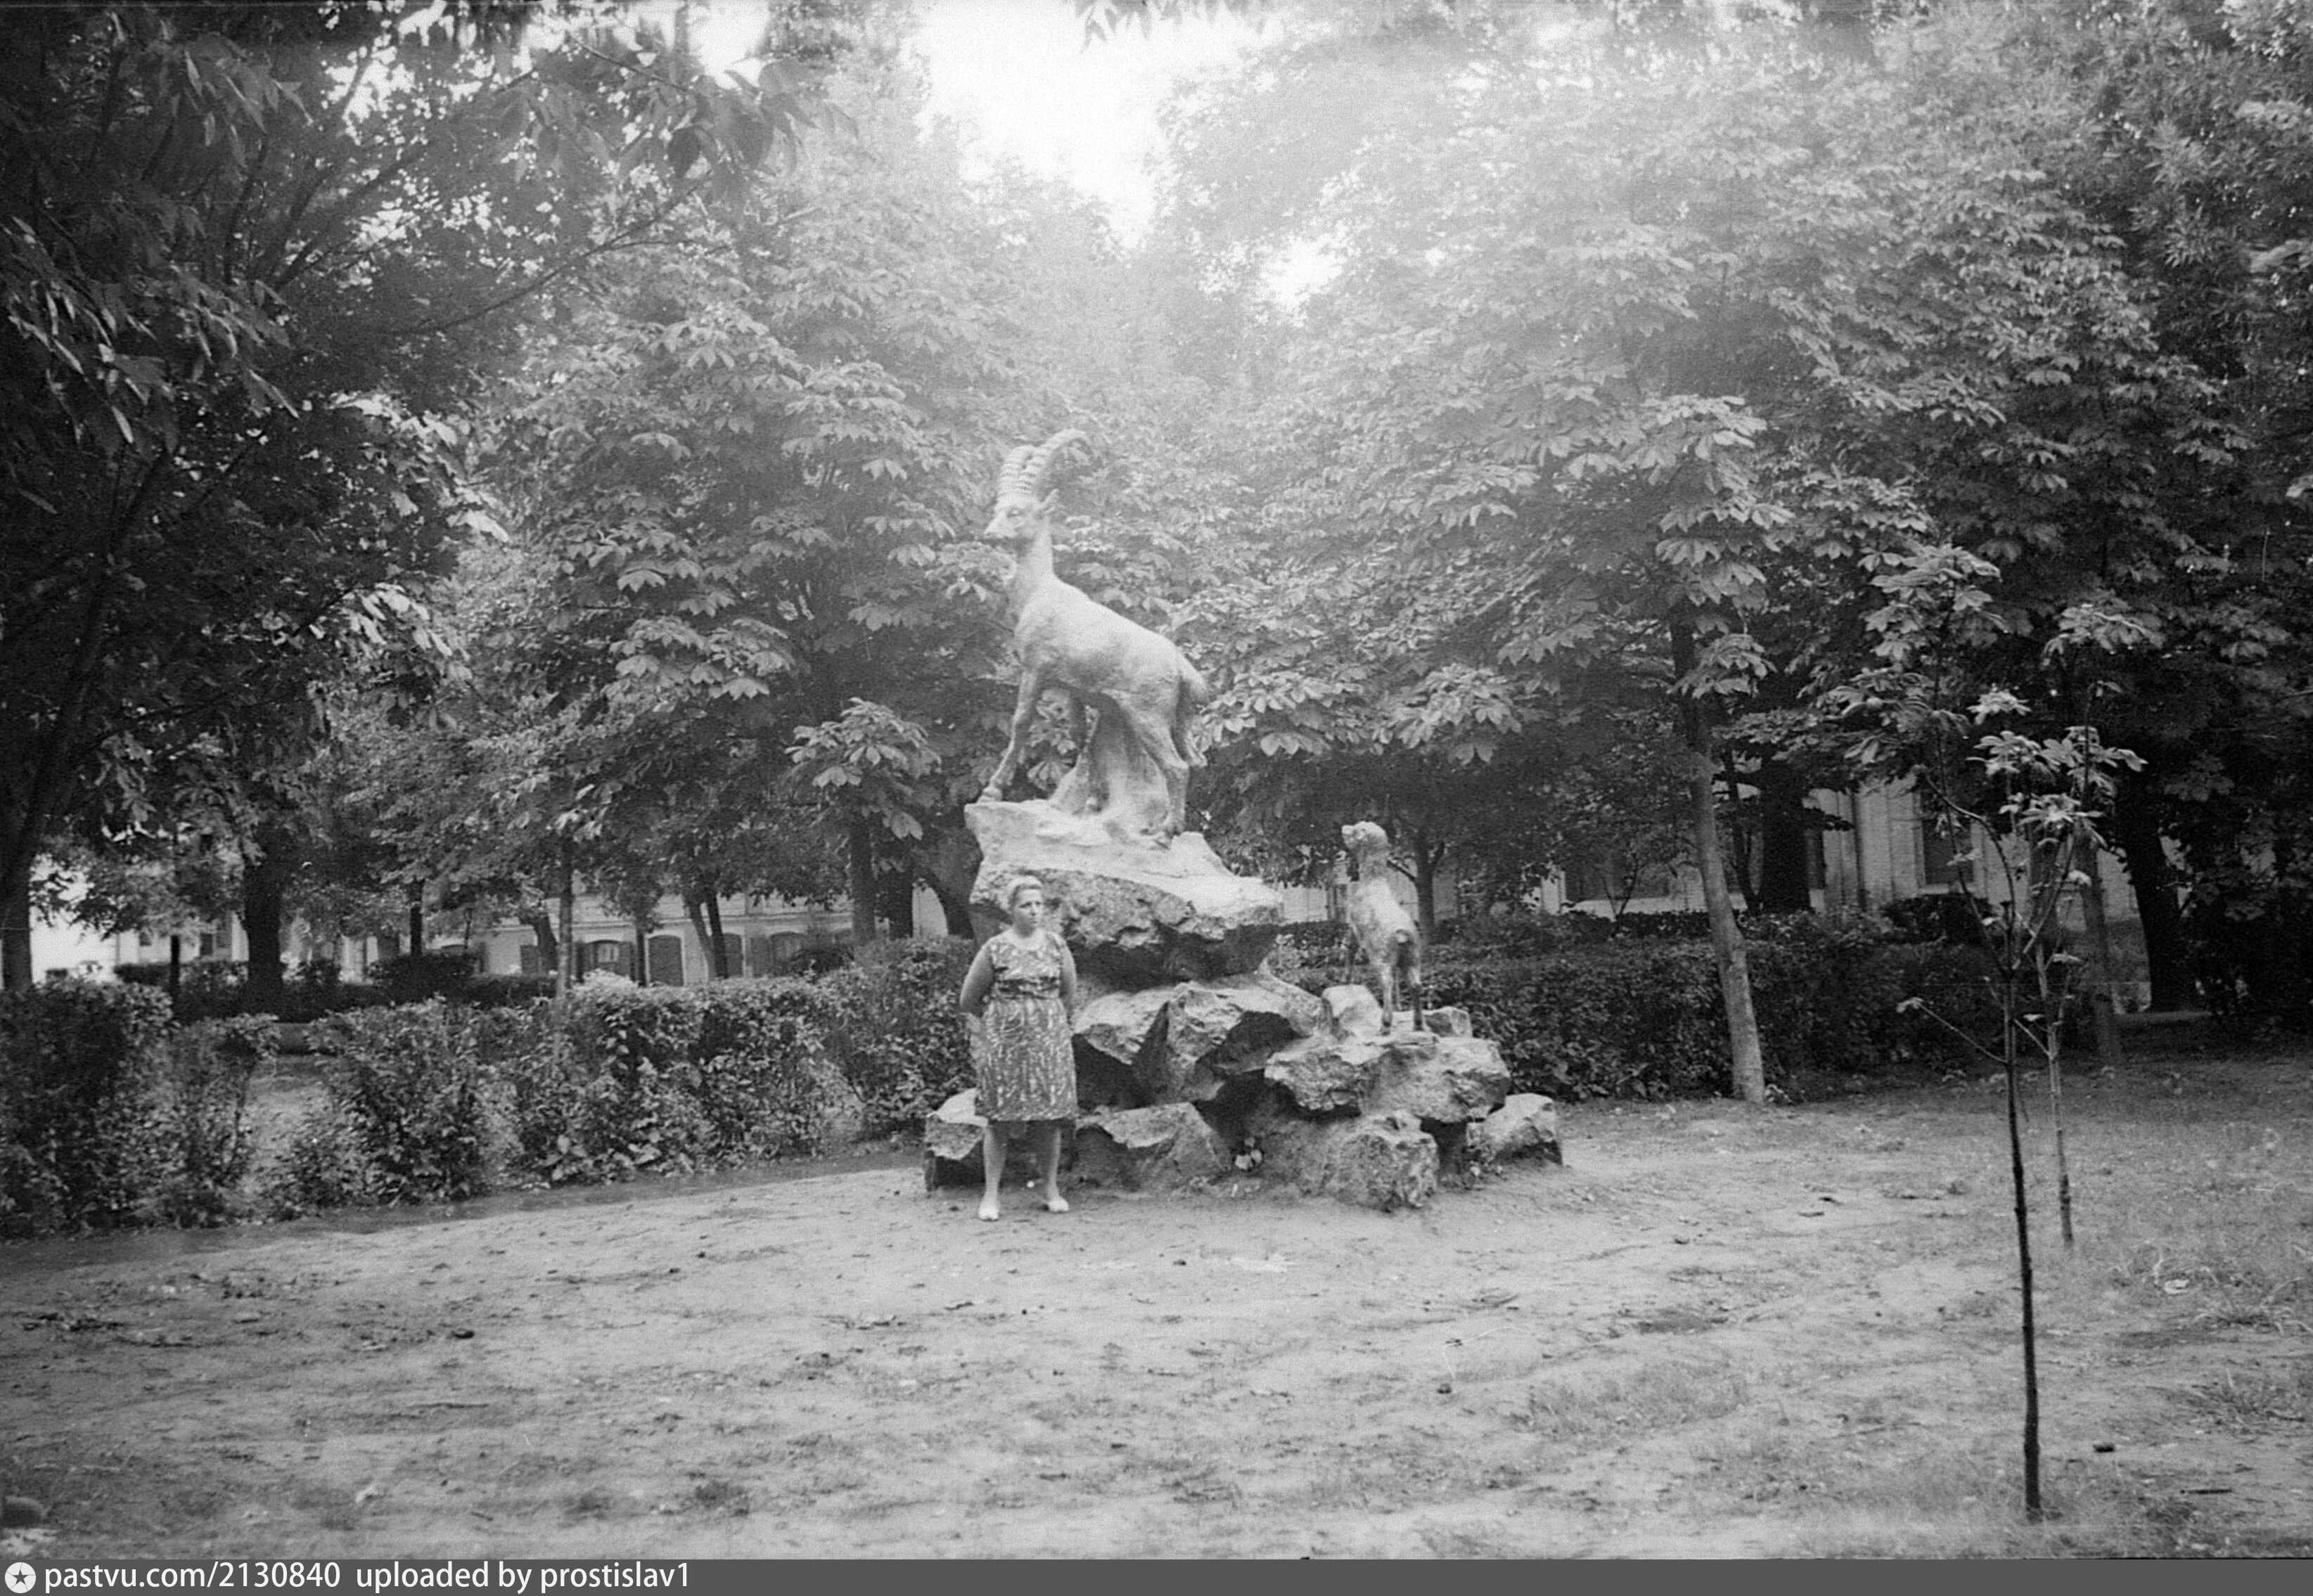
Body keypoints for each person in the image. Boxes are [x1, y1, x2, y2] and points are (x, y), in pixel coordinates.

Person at [957, 875, 1079, 1221]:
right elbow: (969, 999)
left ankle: (1050, 1188)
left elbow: (1068, 993)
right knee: (999, 1119)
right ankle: (991, 1195)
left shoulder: (1056, 945)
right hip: (1005, 1047)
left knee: (1049, 1119)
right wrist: (1004, 1020)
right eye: (1026, 905)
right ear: (1011, 909)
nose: (1034, 911)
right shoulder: (994, 949)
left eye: (1039, 904)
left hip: (1048, 1046)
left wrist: (1044, 1020)